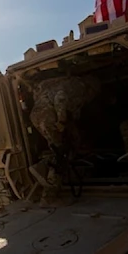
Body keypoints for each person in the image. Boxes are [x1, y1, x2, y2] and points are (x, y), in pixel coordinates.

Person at [28, 74, 101, 203]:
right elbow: (60, 98)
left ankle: (47, 169)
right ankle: (49, 195)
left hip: (39, 115)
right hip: (48, 116)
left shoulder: (59, 83)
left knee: (57, 147)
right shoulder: (78, 86)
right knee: (60, 152)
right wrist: (61, 121)